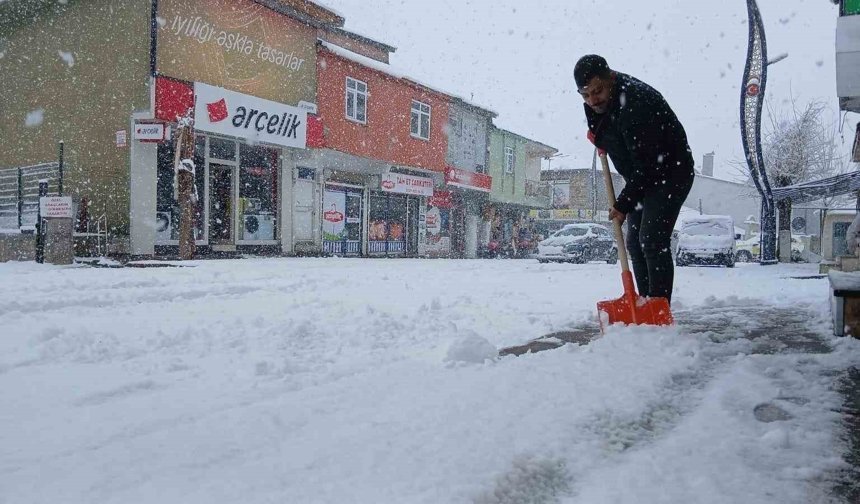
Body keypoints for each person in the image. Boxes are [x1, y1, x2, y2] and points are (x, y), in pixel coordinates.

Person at [575, 54, 695, 303]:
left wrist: (622, 205)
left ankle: (659, 309)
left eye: (597, 91)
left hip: (670, 173)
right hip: (643, 176)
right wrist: (598, 137)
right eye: (585, 95)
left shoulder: (636, 102)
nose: (592, 100)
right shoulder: (597, 102)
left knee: (651, 240)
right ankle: (644, 305)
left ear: (611, 77)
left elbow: (648, 165)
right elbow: (602, 125)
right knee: (635, 244)